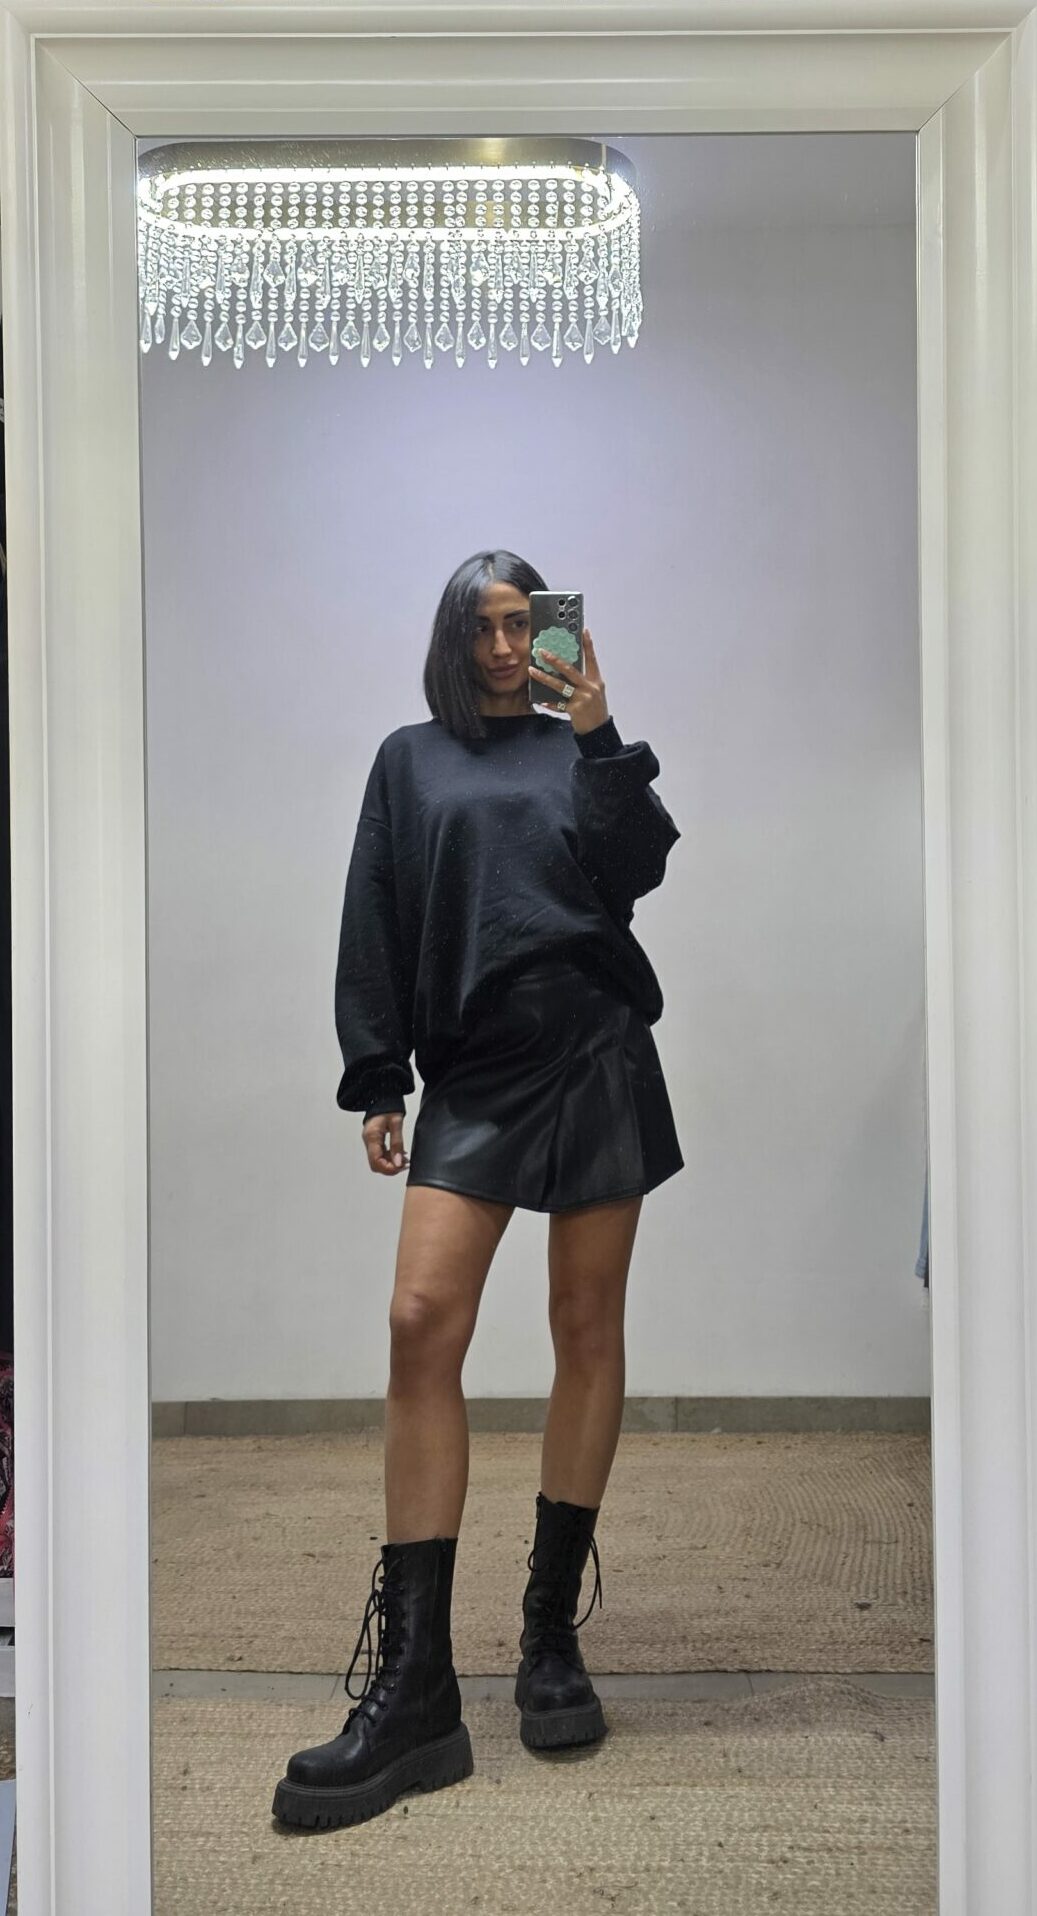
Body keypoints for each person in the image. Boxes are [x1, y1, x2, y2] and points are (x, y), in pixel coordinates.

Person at [272, 550, 684, 1831]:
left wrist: (599, 728)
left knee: (584, 1326)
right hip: (474, 1066)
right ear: (452, 639)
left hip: (596, 1046)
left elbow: (635, 871)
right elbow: (377, 911)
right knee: (419, 1323)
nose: (506, 647)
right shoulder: (409, 760)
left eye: (523, 623)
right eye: (484, 627)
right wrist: (376, 1075)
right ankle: (417, 1687)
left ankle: (548, 1634)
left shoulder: (577, 750)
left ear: (547, 632)